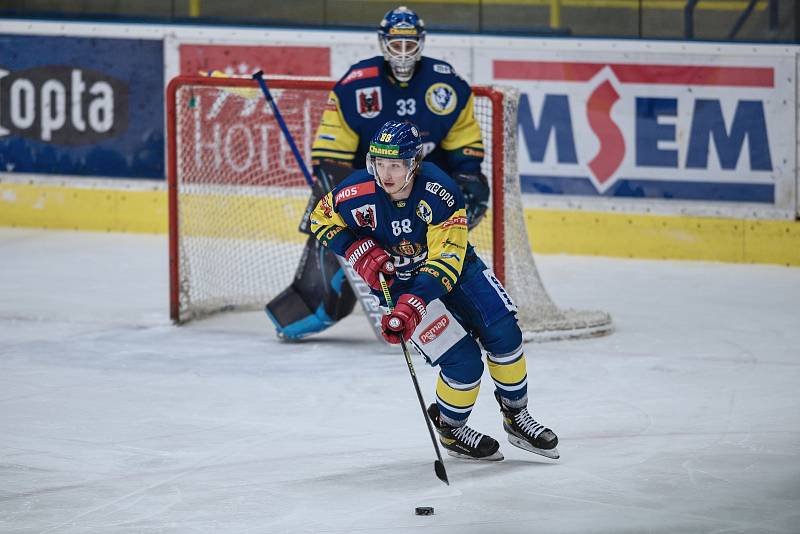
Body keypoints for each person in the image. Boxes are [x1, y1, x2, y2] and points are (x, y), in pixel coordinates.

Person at [309, 120, 559, 461]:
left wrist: (414, 302)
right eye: (380, 164)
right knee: (464, 364)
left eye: (395, 165)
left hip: (455, 271)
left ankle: (516, 416)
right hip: (398, 283)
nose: (387, 174)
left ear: (413, 163)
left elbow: (447, 260)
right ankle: (452, 429)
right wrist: (356, 249)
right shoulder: (356, 193)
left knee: (504, 333)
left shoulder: (441, 192)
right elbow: (320, 219)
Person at [266, 5, 490, 340]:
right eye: (395, 44)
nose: (402, 52)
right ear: (383, 43)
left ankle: (447, 302)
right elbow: (330, 156)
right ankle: (319, 302)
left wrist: (468, 179)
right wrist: (357, 220)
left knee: (450, 239)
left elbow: (465, 147)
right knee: (330, 215)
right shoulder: (356, 85)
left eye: (408, 44)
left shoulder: (446, 84)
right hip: (372, 187)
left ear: (421, 42)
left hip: (423, 189)